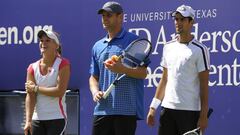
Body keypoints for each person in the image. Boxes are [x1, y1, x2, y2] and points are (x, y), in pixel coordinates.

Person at [146, 5, 210, 135]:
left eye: (182, 19)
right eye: (176, 19)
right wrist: (153, 107)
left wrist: (203, 116)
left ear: (191, 22)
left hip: (190, 112)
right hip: (167, 110)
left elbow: (204, 85)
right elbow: (164, 79)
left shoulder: (200, 50)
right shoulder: (168, 47)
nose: (178, 23)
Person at [89, 1, 149, 135]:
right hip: (102, 110)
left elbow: (143, 73)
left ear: (120, 17)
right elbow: (94, 77)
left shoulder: (134, 41)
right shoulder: (97, 46)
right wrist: (95, 92)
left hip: (126, 111)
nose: (105, 18)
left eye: (109, 15)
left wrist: (122, 69)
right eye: (103, 15)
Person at [24, 29, 70, 135]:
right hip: (37, 120)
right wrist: (28, 121)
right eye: (41, 40)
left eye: (48, 40)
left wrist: (36, 88)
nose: (43, 43)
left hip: (57, 118)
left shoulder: (63, 64)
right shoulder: (32, 67)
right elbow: (30, 96)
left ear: (56, 46)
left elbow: (59, 91)